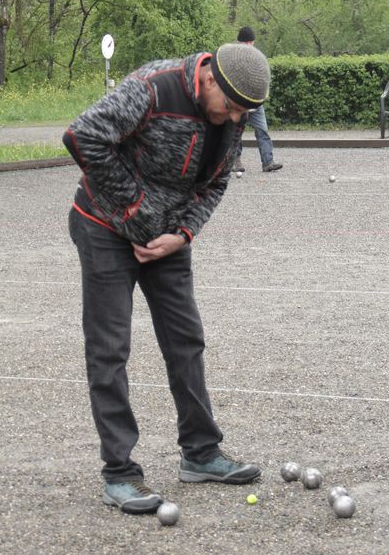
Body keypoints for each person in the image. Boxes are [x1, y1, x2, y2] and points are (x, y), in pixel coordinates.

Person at [64, 43, 269, 515]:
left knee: (185, 339)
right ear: (210, 79)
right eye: (232, 107)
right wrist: (136, 207)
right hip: (104, 226)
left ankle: (201, 453)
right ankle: (119, 472)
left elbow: (216, 182)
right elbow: (83, 135)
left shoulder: (231, 115)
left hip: (167, 238)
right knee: (109, 347)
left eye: (245, 113)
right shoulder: (152, 89)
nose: (235, 119)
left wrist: (182, 233)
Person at [232, 25, 282, 173]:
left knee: (263, 130)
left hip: (255, 102)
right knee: (235, 133)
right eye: (245, 42)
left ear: (253, 42)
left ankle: (268, 162)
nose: (248, 45)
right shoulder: (233, 58)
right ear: (239, 42)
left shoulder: (258, 58)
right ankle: (236, 162)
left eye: (250, 42)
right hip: (238, 102)